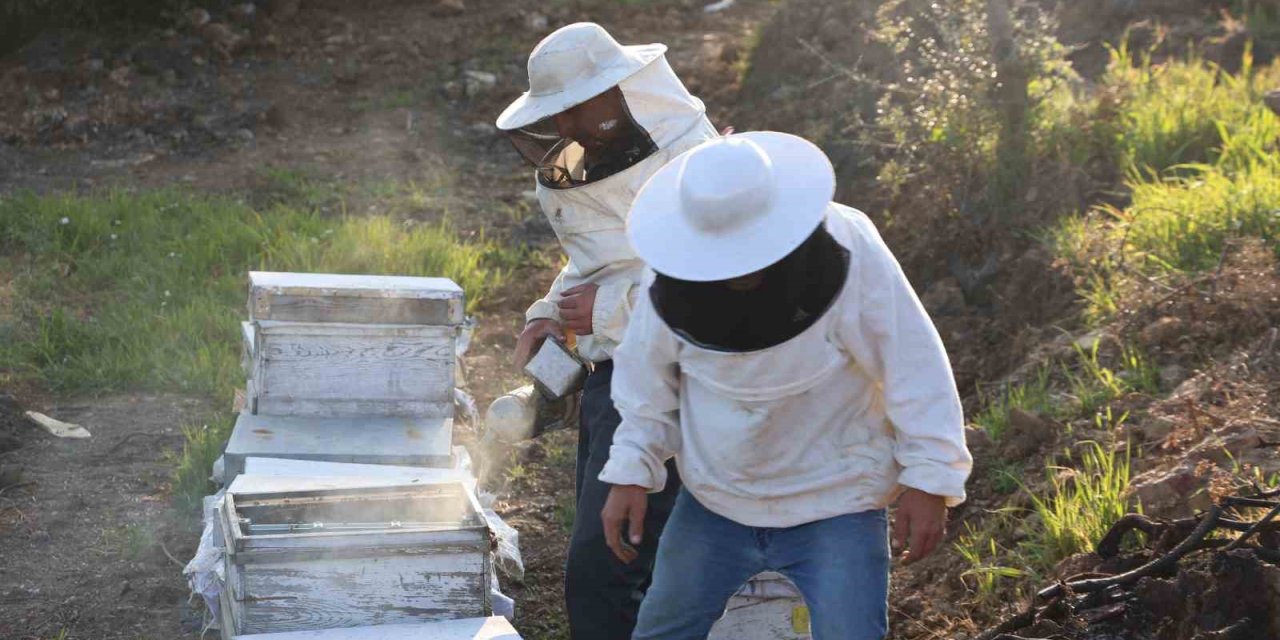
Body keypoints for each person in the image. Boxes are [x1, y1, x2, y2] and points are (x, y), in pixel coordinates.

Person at [598, 133, 974, 640]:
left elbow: (913, 363)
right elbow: (646, 386)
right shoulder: (668, 276)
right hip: (715, 500)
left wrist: (930, 479)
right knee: (661, 633)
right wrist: (630, 472)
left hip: (838, 500)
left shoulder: (851, 247)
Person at [494, 22, 721, 640]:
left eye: (574, 107)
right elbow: (599, 256)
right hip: (613, 383)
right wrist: (548, 311)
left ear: (620, 91)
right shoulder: (597, 156)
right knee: (618, 553)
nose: (563, 124)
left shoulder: (699, 165)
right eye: (555, 111)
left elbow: (723, 283)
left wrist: (608, 309)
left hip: (682, 381)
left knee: (605, 570)